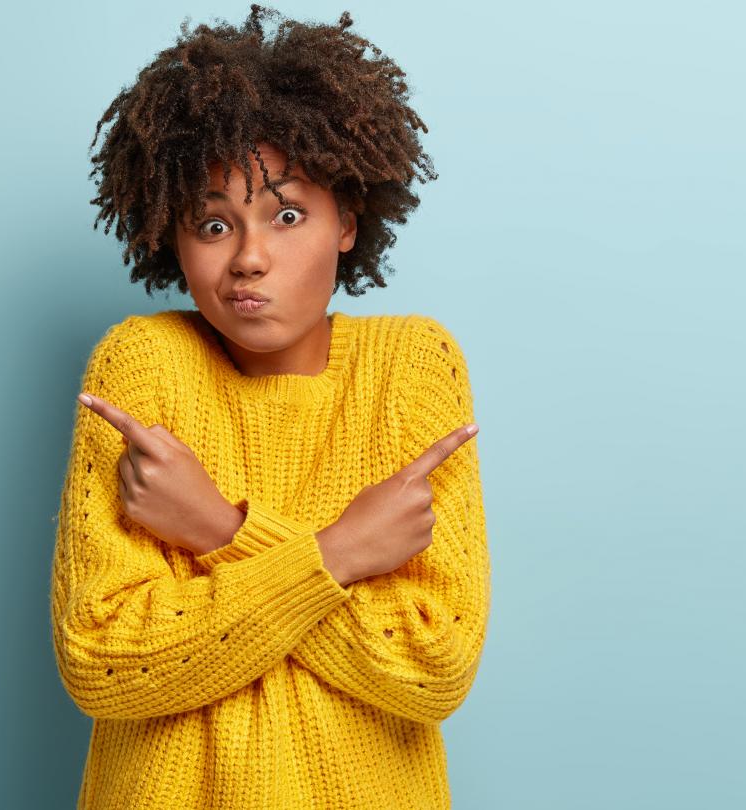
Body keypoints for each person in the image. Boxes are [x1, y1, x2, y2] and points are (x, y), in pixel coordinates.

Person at [50, 6, 491, 808]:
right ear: (172, 240)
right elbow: (104, 658)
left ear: (348, 223)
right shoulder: (141, 366)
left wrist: (218, 530)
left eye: (287, 215)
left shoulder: (410, 369)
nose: (249, 258)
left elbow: (433, 665)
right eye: (214, 224)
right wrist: (341, 555)